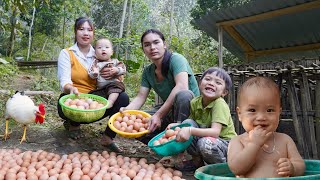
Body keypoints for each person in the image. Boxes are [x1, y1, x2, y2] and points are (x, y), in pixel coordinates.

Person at [57, 17, 129, 153]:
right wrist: (71, 88)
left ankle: (108, 137)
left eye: (89, 30)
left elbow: (117, 77)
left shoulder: (99, 52)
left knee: (123, 98)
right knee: (63, 104)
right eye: (81, 29)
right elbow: (64, 81)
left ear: (93, 34)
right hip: (75, 96)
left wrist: (115, 74)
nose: (85, 33)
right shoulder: (67, 53)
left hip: (95, 97)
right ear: (75, 32)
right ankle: (73, 125)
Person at [120, 29, 200, 145]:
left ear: (164, 44)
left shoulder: (177, 59)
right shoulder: (148, 72)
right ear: (143, 50)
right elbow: (141, 97)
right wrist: (127, 111)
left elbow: (182, 86)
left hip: (191, 112)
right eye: (147, 45)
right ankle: (165, 145)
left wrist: (158, 115)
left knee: (183, 95)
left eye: (156, 42)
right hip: (170, 111)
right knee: (140, 124)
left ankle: (181, 146)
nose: (152, 47)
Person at [228, 76, 305, 178]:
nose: (261, 117)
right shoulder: (238, 141)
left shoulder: (285, 140)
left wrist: (293, 168)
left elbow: (301, 165)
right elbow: (236, 168)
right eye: (252, 110)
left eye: (269, 110)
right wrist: (254, 144)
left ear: (279, 113)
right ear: (240, 114)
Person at [166, 67, 237, 171]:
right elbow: (189, 125)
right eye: (208, 79)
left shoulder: (219, 104)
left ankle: (223, 169)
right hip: (207, 141)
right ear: (200, 83)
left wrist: (189, 130)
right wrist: (177, 127)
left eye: (218, 82)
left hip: (226, 146)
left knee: (204, 142)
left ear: (224, 92)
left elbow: (215, 132)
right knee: (187, 123)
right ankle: (197, 161)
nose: (211, 83)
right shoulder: (195, 102)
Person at [88, 38, 126, 109]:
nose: (103, 49)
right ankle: (94, 107)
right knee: (92, 94)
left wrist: (117, 70)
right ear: (95, 53)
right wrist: (95, 73)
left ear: (112, 52)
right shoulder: (95, 64)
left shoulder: (115, 62)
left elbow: (123, 69)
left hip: (113, 84)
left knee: (115, 88)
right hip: (101, 88)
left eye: (107, 47)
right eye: (99, 48)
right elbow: (90, 74)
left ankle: (110, 102)